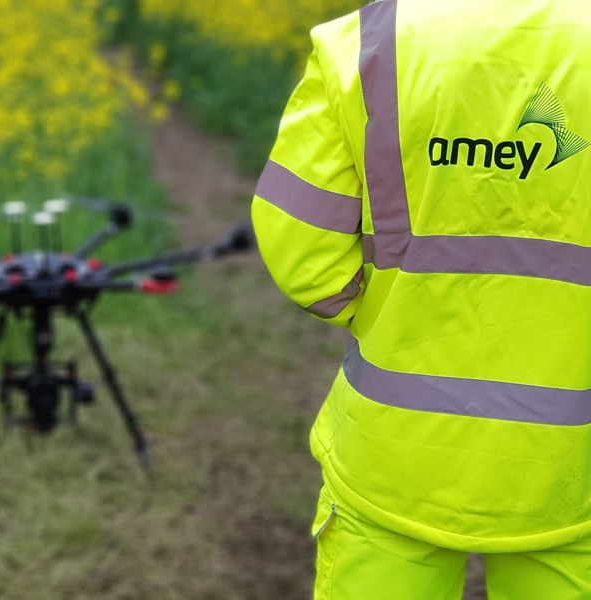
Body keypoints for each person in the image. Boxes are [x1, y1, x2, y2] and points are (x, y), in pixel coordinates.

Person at [251, 0, 591, 598]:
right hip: (574, 467)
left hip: (395, 456)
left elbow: (302, 253)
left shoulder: (363, 43)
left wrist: (387, 311)